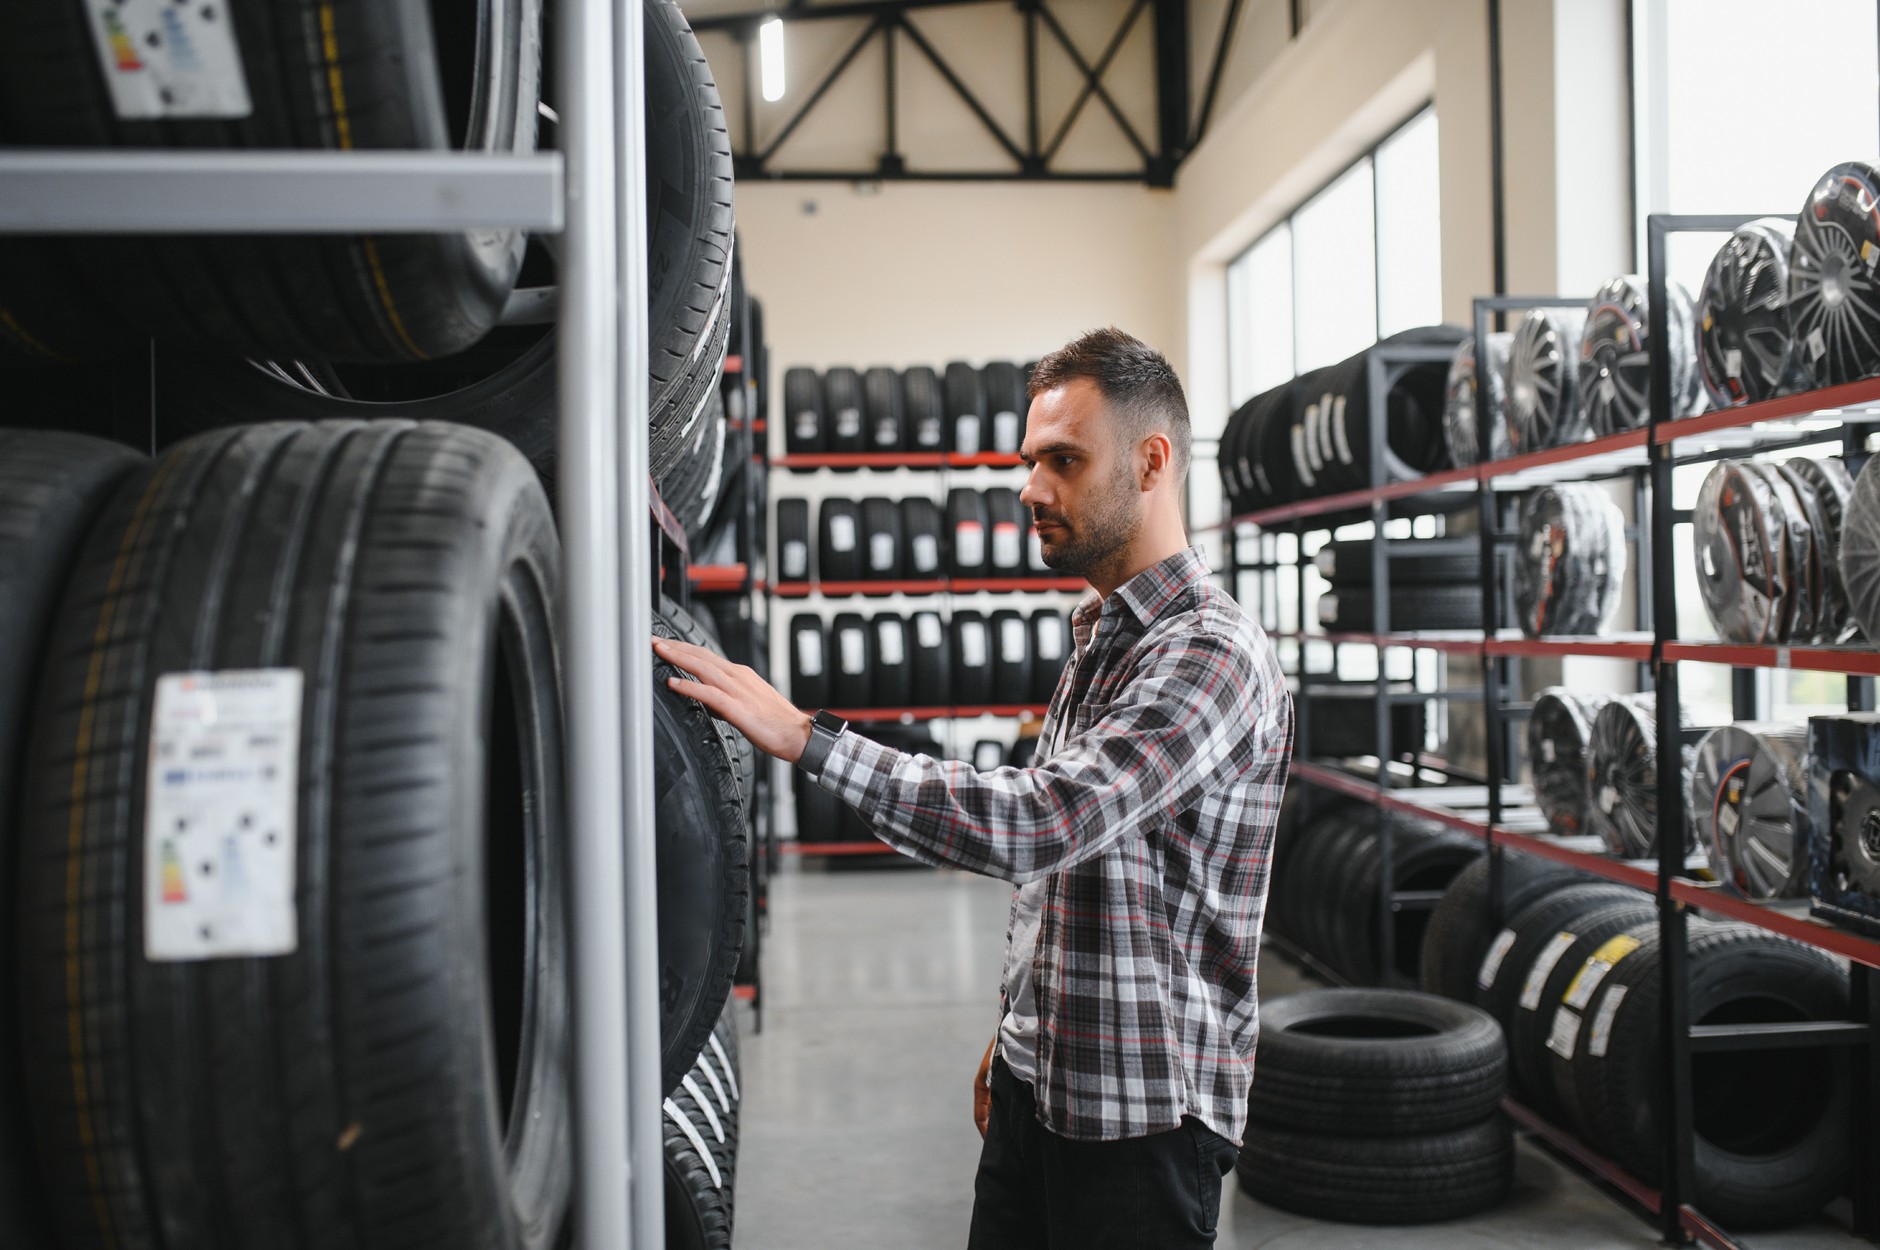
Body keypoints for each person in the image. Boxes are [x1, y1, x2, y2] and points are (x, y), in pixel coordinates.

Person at [654, 326, 1293, 1249]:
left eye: (1063, 461)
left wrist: (808, 738)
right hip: (1044, 1090)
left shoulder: (1210, 656)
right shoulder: (1105, 636)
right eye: (1029, 460)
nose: (1029, 489)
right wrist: (1020, 1032)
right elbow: (1073, 876)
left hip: (1144, 1125)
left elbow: (1039, 823)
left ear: (1152, 463)